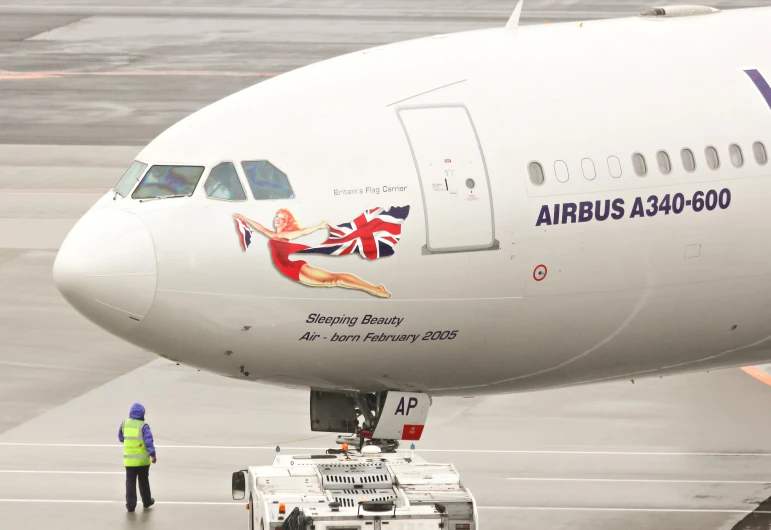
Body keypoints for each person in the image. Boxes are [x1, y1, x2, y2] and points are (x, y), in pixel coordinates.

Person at [234, 209, 390, 298]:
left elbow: (303, 231)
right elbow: (260, 227)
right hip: (290, 271)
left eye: (281, 218)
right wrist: (244, 218)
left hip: (294, 268)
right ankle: (375, 288)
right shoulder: (274, 235)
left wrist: (319, 226)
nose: (277, 220)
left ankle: (375, 289)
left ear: (287, 222)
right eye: (276, 217)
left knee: (334, 279)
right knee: (332, 280)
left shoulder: (287, 235)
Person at [118, 402, 156, 512]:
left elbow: (121, 437)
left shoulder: (124, 424)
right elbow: (149, 441)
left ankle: (131, 505)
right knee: (144, 481)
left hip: (129, 461)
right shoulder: (144, 426)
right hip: (143, 461)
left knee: (130, 482)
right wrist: (152, 454)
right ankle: (146, 501)